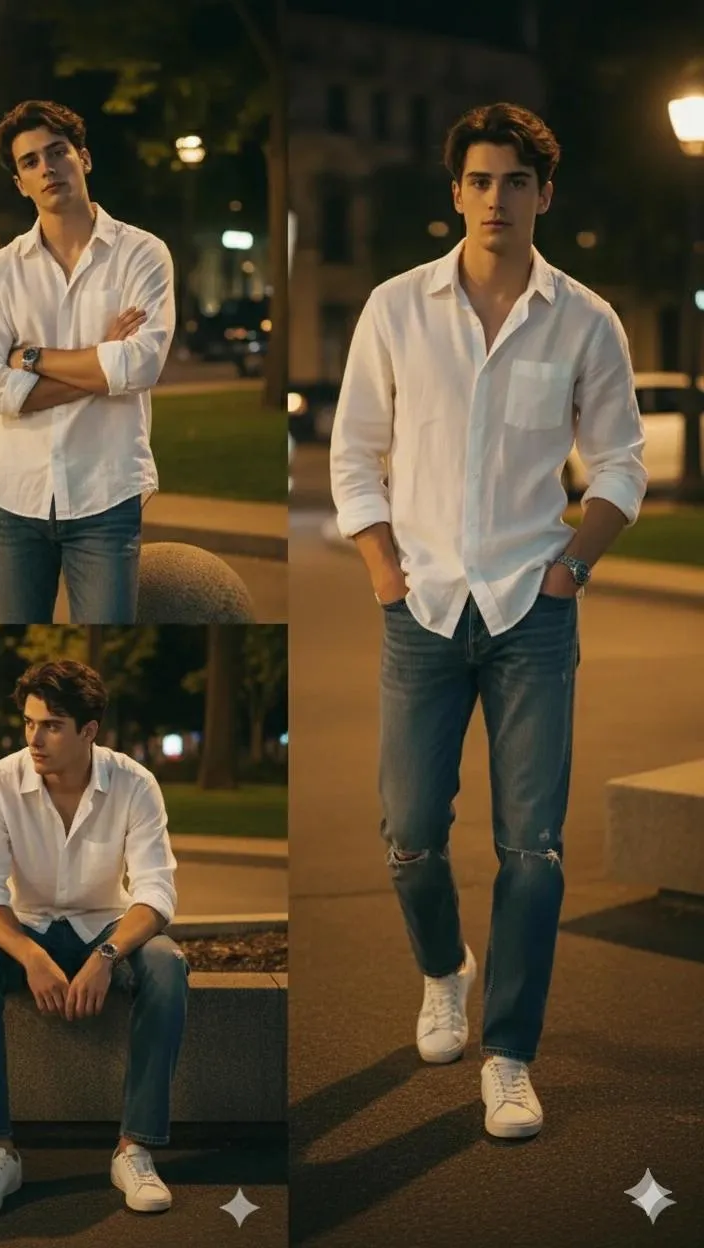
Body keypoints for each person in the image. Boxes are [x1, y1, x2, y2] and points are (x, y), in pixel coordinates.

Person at [329, 102, 647, 1140]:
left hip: (531, 612)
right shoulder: (394, 308)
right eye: (478, 180)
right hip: (419, 607)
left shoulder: (584, 319)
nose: (496, 198)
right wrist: (382, 566)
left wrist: (571, 567)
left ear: (543, 194)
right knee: (410, 840)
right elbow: (353, 451)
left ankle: (508, 1054)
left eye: (516, 180)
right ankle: (443, 972)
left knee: (533, 851)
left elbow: (621, 463)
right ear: (452, 191)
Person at [0, 659, 188, 1214]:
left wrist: (107, 955)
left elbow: (156, 893)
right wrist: (30, 954)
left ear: (89, 731)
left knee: (167, 964)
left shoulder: (134, 783)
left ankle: (135, 1148)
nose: (35, 737)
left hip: (107, 923)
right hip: (24, 925)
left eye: (52, 724)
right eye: (29, 723)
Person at [0, 100, 175, 625]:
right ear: (20, 183)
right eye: (30, 162)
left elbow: (140, 367)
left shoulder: (142, 254)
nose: (47, 168)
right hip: (14, 495)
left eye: (57, 153)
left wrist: (30, 358)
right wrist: (100, 364)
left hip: (106, 493)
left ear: (83, 158)